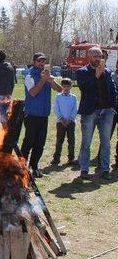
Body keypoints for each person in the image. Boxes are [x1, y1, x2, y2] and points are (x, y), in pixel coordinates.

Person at [76, 47, 117, 180]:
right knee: (86, 142)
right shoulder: (82, 72)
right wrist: (96, 75)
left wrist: (113, 107)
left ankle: (105, 169)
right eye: (95, 56)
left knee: (106, 142)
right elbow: (84, 88)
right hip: (90, 112)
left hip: (107, 112)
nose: (98, 59)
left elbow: (113, 89)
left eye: (100, 56)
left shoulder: (107, 71)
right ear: (89, 57)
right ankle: (84, 170)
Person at [21, 52, 62, 178]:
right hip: (32, 114)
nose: (41, 63)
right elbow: (33, 92)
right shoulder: (29, 75)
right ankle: (22, 168)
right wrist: (43, 80)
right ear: (34, 62)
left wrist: (50, 80)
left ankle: (34, 167)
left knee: (40, 143)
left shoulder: (46, 74)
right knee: (29, 141)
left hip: (43, 115)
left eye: (43, 61)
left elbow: (59, 89)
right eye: (39, 61)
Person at [50, 78, 77, 166]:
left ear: (71, 86)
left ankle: (71, 158)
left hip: (71, 122)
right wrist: (61, 118)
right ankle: (56, 158)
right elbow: (56, 108)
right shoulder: (58, 96)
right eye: (64, 86)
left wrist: (70, 119)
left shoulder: (73, 97)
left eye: (67, 86)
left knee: (71, 140)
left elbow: (74, 109)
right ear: (61, 86)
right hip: (60, 122)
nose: (65, 88)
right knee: (59, 140)